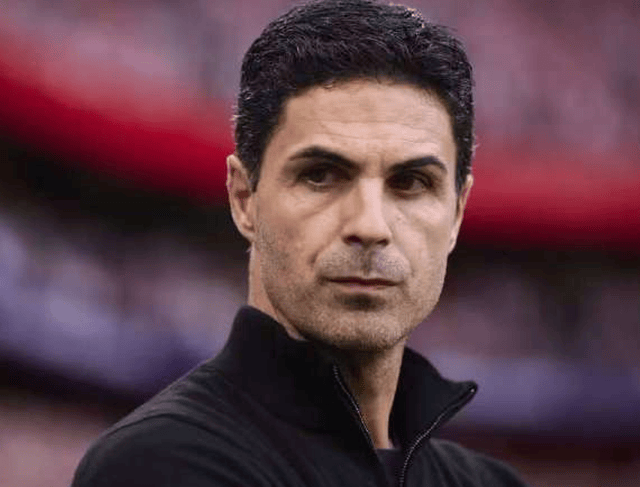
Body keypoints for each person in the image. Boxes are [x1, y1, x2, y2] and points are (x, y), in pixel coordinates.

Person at [72, 1, 530, 486]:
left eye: (411, 182)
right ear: (244, 199)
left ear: (457, 213)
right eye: (321, 175)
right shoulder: (162, 464)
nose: (370, 225)